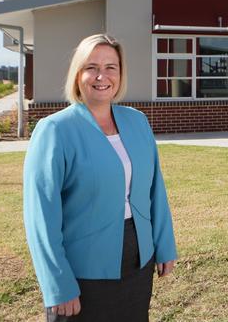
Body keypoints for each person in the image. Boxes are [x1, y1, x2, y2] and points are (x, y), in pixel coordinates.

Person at [23, 34, 178, 321]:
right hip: (82, 272)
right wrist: (57, 285)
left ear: (120, 74)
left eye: (111, 67)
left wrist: (164, 244)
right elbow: (40, 217)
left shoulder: (137, 121)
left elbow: (155, 189)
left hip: (137, 263)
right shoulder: (54, 130)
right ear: (78, 74)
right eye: (91, 67)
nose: (101, 76)